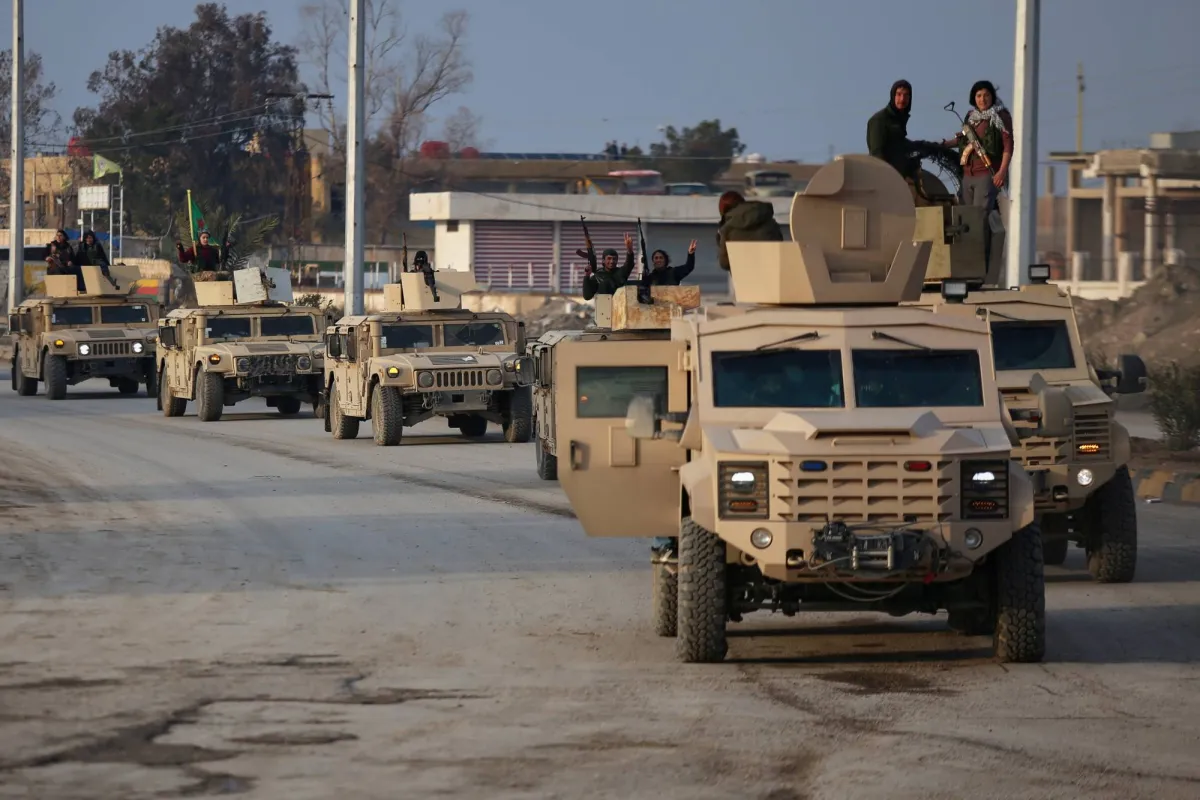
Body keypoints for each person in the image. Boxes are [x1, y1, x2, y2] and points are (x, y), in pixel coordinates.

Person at [952, 79, 1013, 209]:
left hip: (986, 174)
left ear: (992, 96)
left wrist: (1001, 172)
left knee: (980, 215)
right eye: (979, 96)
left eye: (986, 95)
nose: (982, 99)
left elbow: (1008, 146)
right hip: (967, 175)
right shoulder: (971, 117)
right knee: (966, 215)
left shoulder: (1000, 116)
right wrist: (943, 144)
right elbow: (963, 140)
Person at [715, 191, 783, 271]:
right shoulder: (769, 221)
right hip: (772, 272)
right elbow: (780, 247)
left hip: (745, 276)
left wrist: (720, 242)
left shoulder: (727, 230)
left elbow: (724, 263)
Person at [581, 232, 636, 301]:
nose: (612, 261)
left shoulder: (621, 273)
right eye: (609, 258)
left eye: (614, 259)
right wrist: (587, 276)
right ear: (603, 260)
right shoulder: (598, 276)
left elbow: (629, 264)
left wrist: (630, 251)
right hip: (604, 306)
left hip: (620, 305)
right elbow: (587, 296)